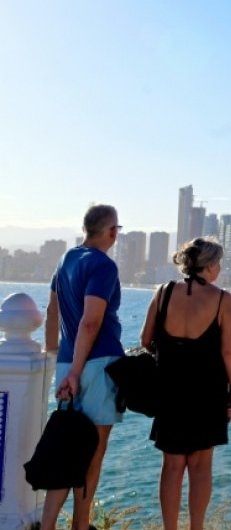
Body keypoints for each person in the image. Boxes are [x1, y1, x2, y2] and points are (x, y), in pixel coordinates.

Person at [141, 237, 231, 530]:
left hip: (170, 389)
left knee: (171, 467)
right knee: (200, 466)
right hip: (207, 392)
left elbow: (145, 340)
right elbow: (229, 351)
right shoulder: (222, 299)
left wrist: (170, 353)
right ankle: (196, 528)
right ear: (209, 265)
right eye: (218, 263)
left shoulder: (163, 293)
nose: (219, 268)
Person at [42, 204, 125, 530]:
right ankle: (80, 524)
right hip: (97, 364)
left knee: (65, 448)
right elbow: (92, 322)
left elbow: (53, 311)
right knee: (93, 451)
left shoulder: (65, 259)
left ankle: (47, 525)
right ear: (112, 232)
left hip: (67, 362)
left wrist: (58, 359)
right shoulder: (103, 264)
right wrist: (77, 372)